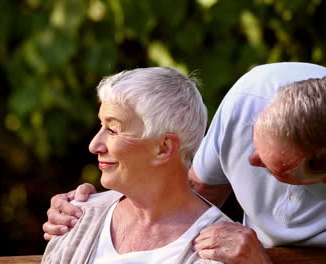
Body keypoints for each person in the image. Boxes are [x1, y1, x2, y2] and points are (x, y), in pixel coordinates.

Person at [43, 62, 326, 264]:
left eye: (274, 168)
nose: (250, 161)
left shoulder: (215, 257)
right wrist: (96, 209)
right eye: (253, 139)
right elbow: (186, 191)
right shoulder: (252, 97)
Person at [42, 67, 232, 264]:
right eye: (101, 126)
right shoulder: (76, 218)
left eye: (113, 130)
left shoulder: (221, 252)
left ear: (164, 148)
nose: (94, 145)